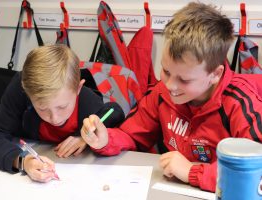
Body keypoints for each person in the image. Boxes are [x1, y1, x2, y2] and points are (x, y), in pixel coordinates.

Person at [80, 2, 262, 192]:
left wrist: (192, 171)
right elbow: (130, 134)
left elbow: (254, 174)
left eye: (184, 79)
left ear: (215, 74)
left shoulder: (239, 102)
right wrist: (105, 140)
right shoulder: (161, 93)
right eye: (166, 71)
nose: (170, 85)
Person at [0, 44, 124, 182]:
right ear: (27, 93)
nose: (54, 118)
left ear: (78, 89)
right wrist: (23, 161)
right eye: (42, 108)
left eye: (62, 107)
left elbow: (114, 110)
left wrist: (85, 136)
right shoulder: (21, 89)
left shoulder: (85, 99)